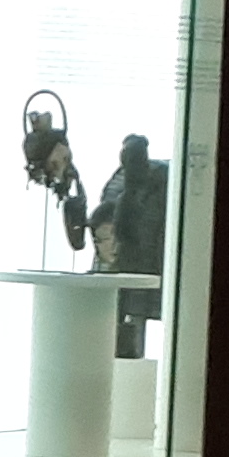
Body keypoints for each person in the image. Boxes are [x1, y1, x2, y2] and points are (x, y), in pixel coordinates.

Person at [90, 133, 168, 355]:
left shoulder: (156, 183)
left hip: (141, 274)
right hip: (136, 275)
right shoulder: (122, 186)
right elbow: (104, 230)